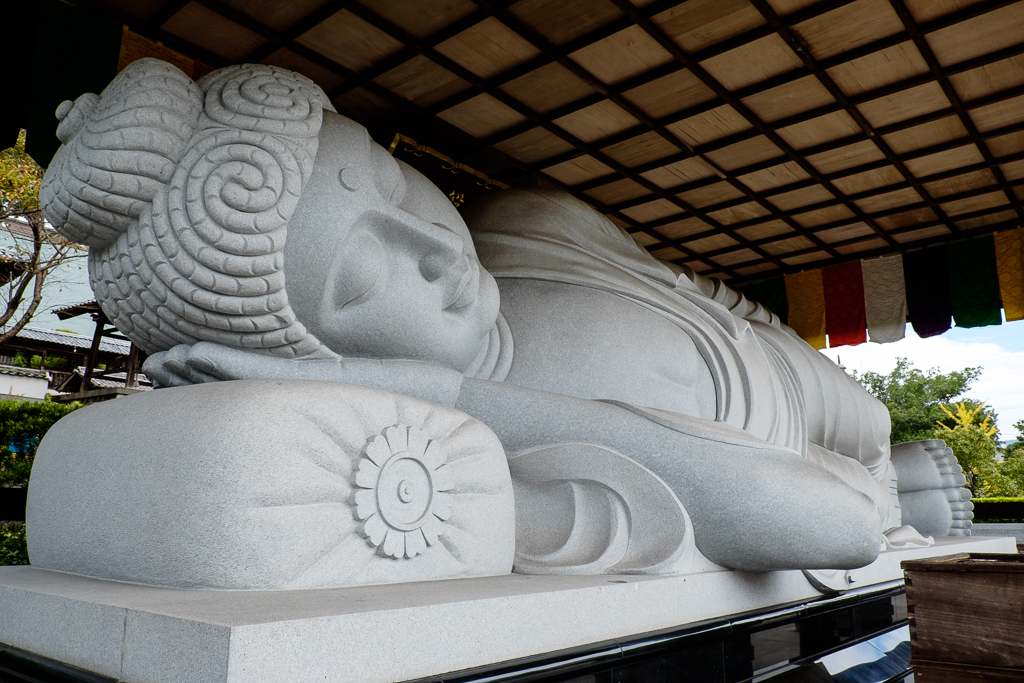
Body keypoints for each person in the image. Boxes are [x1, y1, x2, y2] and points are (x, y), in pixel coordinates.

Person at [41, 58, 967, 576]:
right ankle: (895, 486)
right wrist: (432, 391)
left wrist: (760, 329)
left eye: (394, 183)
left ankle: (886, 466)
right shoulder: (483, 447)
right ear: (319, 352)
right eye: (364, 278)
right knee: (869, 497)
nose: (432, 249)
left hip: (764, 356)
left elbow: (688, 283)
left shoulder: (524, 223)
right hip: (782, 470)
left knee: (868, 418)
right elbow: (826, 526)